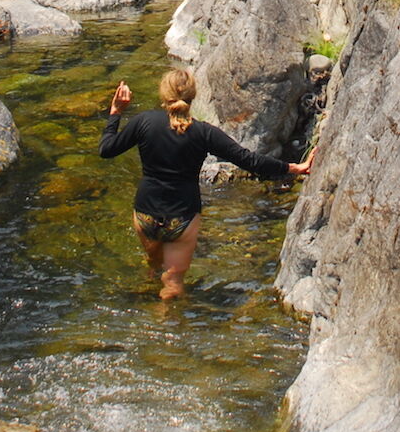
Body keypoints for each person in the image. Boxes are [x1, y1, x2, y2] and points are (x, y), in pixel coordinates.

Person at [100, 67, 311, 300]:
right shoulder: (203, 132)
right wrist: (293, 168)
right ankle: (165, 328)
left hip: (145, 214)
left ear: (163, 94)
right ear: (192, 96)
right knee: (173, 283)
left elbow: (106, 150)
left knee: (154, 261)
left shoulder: (143, 122)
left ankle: (148, 286)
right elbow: (248, 160)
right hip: (182, 216)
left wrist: (115, 112)